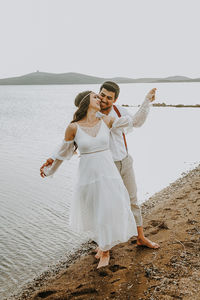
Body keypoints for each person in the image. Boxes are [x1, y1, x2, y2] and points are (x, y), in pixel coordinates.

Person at [40, 91, 138, 269]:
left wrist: (146, 102)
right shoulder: (73, 127)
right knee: (95, 211)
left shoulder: (106, 120)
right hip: (88, 175)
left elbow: (132, 122)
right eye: (96, 97)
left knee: (107, 209)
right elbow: (63, 153)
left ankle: (105, 252)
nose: (100, 99)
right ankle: (102, 245)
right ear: (86, 102)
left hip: (108, 174)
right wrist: (49, 169)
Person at [75, 82, 160, 249]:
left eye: (109, 97)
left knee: (133, 200)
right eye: (102, 95)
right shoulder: (91, 114)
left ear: (115, 100)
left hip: (125, 161)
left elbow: (136, 122)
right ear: (98, 94)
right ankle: (104, 245)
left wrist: (146, 102)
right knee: (105, 206)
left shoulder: (119, 111)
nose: (104, 100)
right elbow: (77, 133)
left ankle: (140, 237)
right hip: (105, 167)